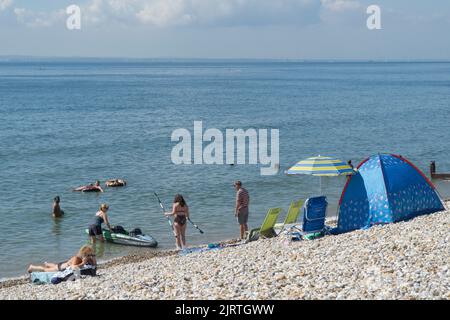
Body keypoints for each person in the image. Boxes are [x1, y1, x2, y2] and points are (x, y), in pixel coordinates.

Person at [27, 245, 96, 273]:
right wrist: (83, 263)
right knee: (45, 269)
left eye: (91, 255)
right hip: (61, 268)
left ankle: (47, 263)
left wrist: (93, 257)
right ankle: (32, 267)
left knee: (54, 265)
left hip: (64, 264)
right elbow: (73, 268)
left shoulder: (87, 258)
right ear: (84, 254)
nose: (90, 256)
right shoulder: (77, 258)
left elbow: (95, 266)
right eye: (89, 255)